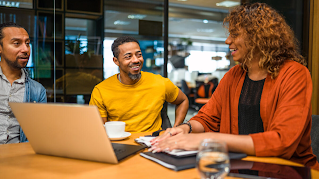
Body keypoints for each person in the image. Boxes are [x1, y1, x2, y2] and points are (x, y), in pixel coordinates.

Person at [150, 3, 319, 170]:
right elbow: (208, 118)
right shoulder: (234, 75)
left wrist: (208, 140)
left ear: (257, 37)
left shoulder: (294, 73)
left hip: (287, 170)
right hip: (239, 166)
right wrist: (186, 128)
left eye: (235, 34)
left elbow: (282, 141)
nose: (227, 40)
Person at [89, 36, 189, 132]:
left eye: (139, 55)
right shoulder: (101, 90)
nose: (136, 60)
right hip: (120, 144)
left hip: (154, 143)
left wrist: (176, 128)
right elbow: (99, 130)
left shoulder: (160, 82)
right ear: (116, 61)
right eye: (128, 57)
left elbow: (183, 100)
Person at [0, 22, 47, 144]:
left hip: (20, 156)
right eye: (17, 43)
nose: (25, 49)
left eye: (27, 43)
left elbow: (39, 133)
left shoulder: (37, 90)